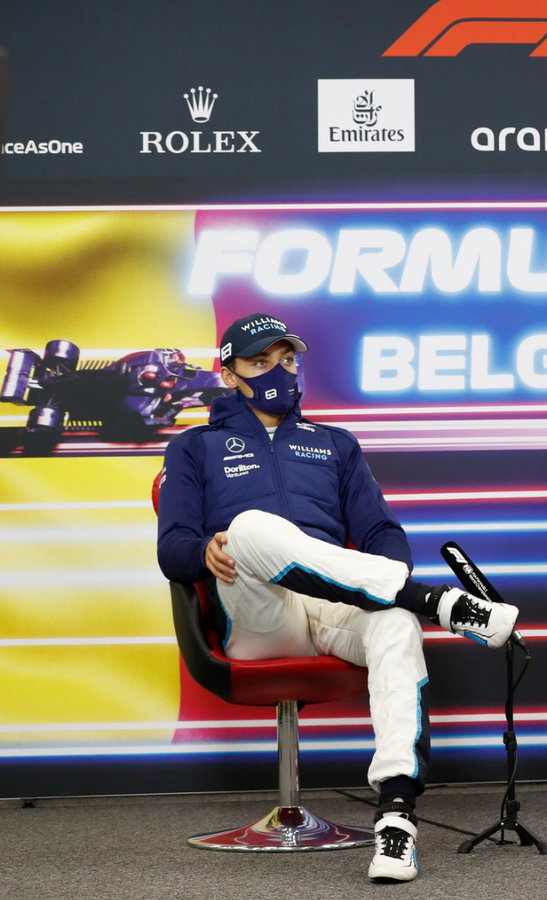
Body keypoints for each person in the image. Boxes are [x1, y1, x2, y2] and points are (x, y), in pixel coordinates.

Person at [156, 313, 520, 882]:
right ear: (228, 376)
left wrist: (387, 579)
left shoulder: (334, 443)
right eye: (261, 362)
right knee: (251, 525)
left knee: (396, 622)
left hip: (333, 601)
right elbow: (172, 548)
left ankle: (396, 818)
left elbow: (381, 533)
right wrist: (203, 550)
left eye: (289, 360)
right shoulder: (194, 448)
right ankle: (439, 602)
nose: (281, 372)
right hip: (255, 609)